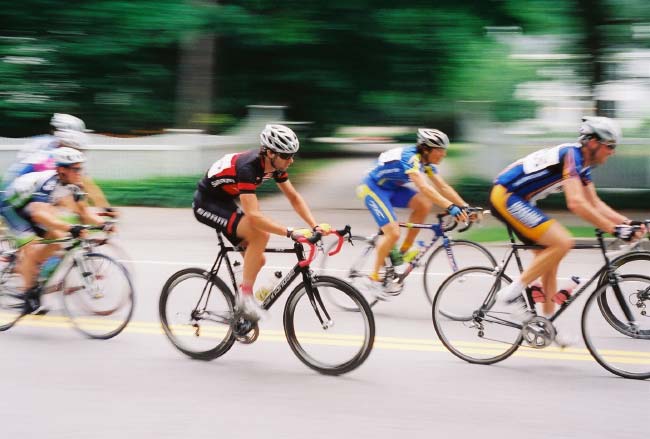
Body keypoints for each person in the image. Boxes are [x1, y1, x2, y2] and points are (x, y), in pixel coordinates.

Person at [489, 116, 641, 321]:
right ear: (594, 143)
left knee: (550, 260)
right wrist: (614, 230)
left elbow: (595, 203)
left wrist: (627, 224)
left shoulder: (584, 165)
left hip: (523, 200)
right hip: (507, 196)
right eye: (610, 146)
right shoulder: (571, 156)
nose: (613, 151)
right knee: (562, 242)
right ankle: (509, 294)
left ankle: (547, 323)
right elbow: (576, 203)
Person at [192, 124, 331, 321]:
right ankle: (245, 299)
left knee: (258, 259)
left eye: (292, 155)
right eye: (286, 156)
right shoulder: (248, 168)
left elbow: (293, 197)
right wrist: (290, 232)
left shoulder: (274, 166)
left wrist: (314, 225)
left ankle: (240, 303)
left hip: (224, 201)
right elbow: (254, 216)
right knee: (259, 234)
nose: (290, 161)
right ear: (270, 153)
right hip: (206, 203)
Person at [357, 128, 470, 298]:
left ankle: (403, 251)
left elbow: (443, 187)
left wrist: (464, 206)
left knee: (424, 204)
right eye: (440, 150)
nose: (443, 154)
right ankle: (373, 279)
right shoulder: (411, 158)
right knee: (393, 233)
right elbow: (423, 187)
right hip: (372, 188)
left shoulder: (427, 163)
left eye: (444, 150)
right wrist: (450, 207)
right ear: (426, 149)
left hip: (391, 188)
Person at [1, 147, 107, 313]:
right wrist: (70, 227)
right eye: (76, 169)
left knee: (58, 240)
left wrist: (103, 224)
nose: (80, 173)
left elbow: (83, 212)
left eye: (81, 168)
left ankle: (31, 268)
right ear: (62, 170)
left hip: (32, 207)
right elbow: (38, 214)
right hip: (13, 207)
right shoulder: (49, 183)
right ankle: (28, 297)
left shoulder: (74, 185)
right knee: (31, 247)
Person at [2, 113, 116, 217]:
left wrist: (106, 207)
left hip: (35, 184)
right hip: (21, 186)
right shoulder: (44, 149)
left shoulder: (67, 151)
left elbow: (87, 182)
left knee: (75, 199)